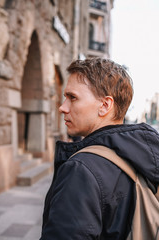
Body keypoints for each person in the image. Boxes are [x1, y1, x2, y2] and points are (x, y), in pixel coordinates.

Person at [40, 58, 159, 239]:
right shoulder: (144, 155)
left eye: (72, 97)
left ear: (105, 106)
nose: (62, 107)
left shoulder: (81, 169)